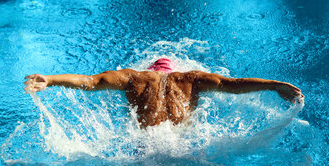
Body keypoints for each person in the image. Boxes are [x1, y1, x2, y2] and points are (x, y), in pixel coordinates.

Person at [24, 58, 303, 128]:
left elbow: (90, 81)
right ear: (173, 69)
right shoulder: (192, 78)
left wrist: (50, 79)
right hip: (183, 148)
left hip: (145, 147)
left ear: (150, 69)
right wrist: (272, 84)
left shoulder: (133, 77)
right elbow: (234, 84)